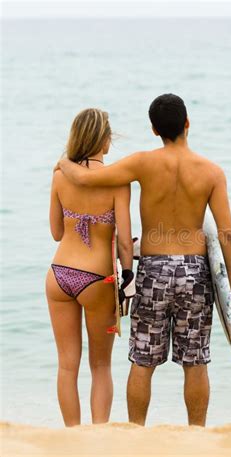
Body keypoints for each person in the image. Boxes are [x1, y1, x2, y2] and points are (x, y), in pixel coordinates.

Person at [58, 94, 231, 427]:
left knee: (142, 361)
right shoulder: (212, 172)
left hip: (153, 270)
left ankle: (135, 436)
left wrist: (63, 163)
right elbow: (227, 236)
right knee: (195, 362)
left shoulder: (142, 163)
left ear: (154, 130)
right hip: (194, 272)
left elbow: (84, 178)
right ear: (187, 124)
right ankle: (196, 435)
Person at [47, 108, 133, 426]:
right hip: (98, 279)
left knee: (67, 366)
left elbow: (57, 232)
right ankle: (97, 439)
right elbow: (125, 241)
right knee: (101, 366)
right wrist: (128, 276)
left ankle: (71, 437)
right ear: (104, 140)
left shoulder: (59, 176)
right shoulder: (117, 182)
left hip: (59, 275)